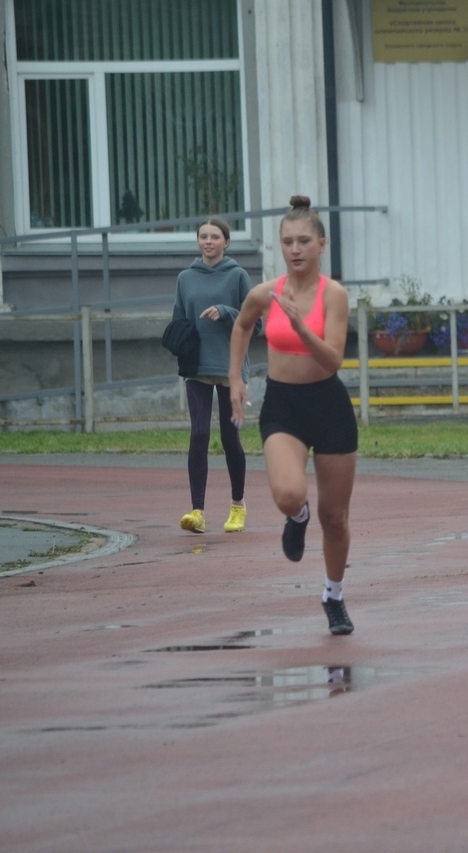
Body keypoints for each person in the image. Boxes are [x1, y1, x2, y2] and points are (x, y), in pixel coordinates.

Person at [229, 196, 358, 636]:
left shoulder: (333, 295)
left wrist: (302, 326)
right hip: (284, 406)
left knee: (335, 518)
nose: (295, 249)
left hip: (330, 406)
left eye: (304, 241)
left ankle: (333, 596)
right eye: (287, 242)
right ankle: (296, 518)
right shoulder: (265, 294)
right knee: (289, 495)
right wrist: (235, 378)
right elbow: (241, 325)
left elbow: (333, 360)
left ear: (322, 243)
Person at [173, 217, 255, 535]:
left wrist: (227, 311)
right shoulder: (185, 279)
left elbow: (256, 322)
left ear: (226, 242)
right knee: (198, 434)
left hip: (231, 366)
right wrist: (176, 338)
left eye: (215, 237)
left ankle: (237, 505)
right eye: (203, 236)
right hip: (197, 367)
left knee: (230, 437)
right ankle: (197, 511)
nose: (208, 241)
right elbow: (179, 320)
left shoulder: (238, 276)